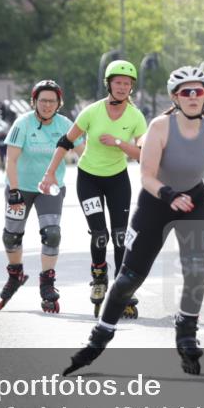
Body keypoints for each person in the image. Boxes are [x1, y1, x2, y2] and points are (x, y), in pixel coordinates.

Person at [63, 66, 204, 377]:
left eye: (198, 91)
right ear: (175, 97)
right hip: (156, 203)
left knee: (196, 270)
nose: (193, 97)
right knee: (129, 279)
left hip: (194, 202)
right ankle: (98, 339)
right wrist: (169, 194)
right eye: (186, 92)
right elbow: (146, 175)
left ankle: (186, 330)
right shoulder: (159, 128)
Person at [40, 60, 147, 318]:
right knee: (100, 234)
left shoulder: (136, 116)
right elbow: (66, 141)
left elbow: (141, 153)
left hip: (117, 179)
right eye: (118, 82)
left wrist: (119, 142)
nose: (122, 87)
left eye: (127, 84)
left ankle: (124, 289)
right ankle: (99, 275)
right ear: (109, 84)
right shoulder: (91, 111)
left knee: (121, 235)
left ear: (131, 87)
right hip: (89, 178)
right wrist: (50, 172)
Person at [0, 80, 84, 313]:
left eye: (52, 101)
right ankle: (15, 274)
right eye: (43, 100)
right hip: (20, 187)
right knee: (11, 237)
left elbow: (84, 154)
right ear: (34, 102)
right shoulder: (22, 123)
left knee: (51, 233)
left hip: (50, 188)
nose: (47, 105)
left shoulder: (66, 124)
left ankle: (47, 283)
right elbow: (11, 160)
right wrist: (14, 191)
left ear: (59, 103)